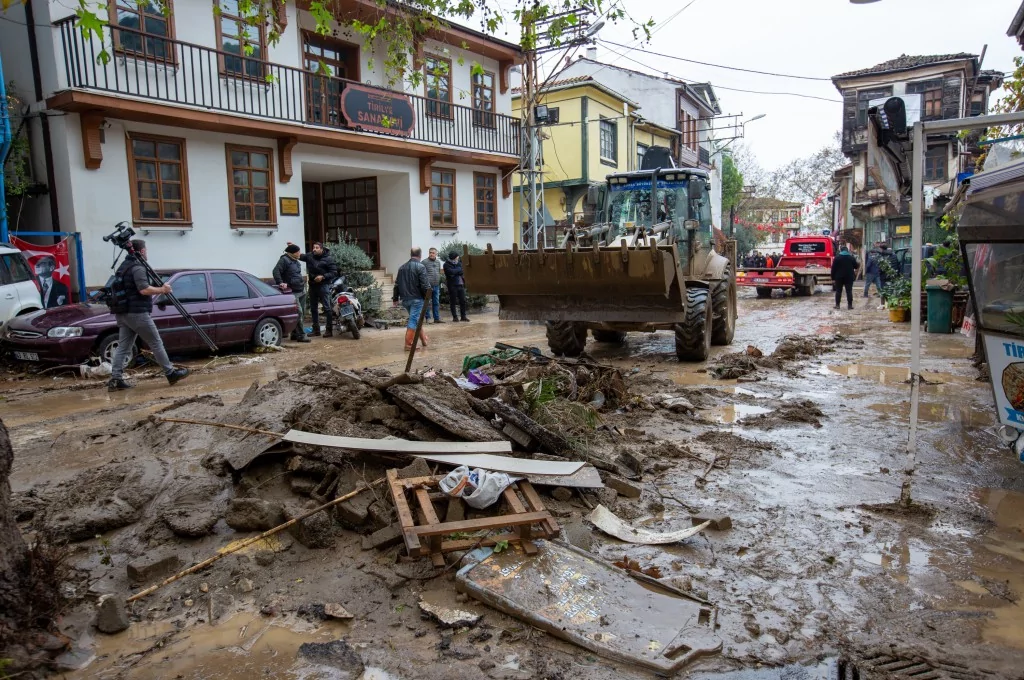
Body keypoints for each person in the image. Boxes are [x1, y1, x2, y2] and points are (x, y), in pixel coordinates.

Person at [106, 239, 189, 391]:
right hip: (137, 313)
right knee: (156, 342)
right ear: (142, 251)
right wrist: (162, 290)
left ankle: (115, 379)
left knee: (124, 346)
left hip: (123, 312)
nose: (147, 252)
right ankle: (171, 373)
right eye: (146, 249)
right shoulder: (137, 267)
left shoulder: (124, 266)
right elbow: (143, 289)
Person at [392, 247, 431, 351]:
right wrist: (427, 297)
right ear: (420, 255)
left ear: (411, 254)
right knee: (414, 319)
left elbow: (397, 285)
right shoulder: (421, 267)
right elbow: (425, 285)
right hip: (417, 299)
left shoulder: (402, 268)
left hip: (405, 299)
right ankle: (408, 344)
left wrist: (395, 298)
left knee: (417, 319)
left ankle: (424, 340)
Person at [298, 242, 338, 338]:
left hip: (323, 286)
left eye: (316, 247)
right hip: (312, 285)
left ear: (321, 249)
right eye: (313, 247)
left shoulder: (328, 259)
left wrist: (323, 276)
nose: (314, 249)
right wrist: (291, 247)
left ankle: (329, 330)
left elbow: (334, 272)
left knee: (327, 308)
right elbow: (299, 256)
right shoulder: (310, 256)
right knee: (313, 308)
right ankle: (316, 330)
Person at [273, 245, 311, 343]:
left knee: (301, 313)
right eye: (298, 252)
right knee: (299, 313)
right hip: (292, 292)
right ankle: (302, 335)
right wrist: (280, 282)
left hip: (301, 290)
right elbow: (276, 271)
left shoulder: (295, 261)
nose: (299, 253)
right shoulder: (284, 260)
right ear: (292, 253)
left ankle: (295, 334)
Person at [831, 244, 859, 310]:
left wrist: (833, 278)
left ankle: (837, 305)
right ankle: (850, 306)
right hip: (849, 277)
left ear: (841, 251)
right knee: (849, 291)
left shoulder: (837, 258)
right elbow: (856, 266)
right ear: (847, 251)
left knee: (838, 291)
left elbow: (833, 269)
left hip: (839, 277)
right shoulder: (851, 258)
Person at [444, 251, 469, 322]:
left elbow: (462, 271)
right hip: (452, 285)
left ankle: (463, 317)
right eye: (457, 257)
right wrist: (457, 271)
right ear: (454, 257)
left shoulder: (459, 263)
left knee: (463, 301)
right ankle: (455, 317)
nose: (458, 258)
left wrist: (456, 271)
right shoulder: (446, 264)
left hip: (460, 284)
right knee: (453, 301)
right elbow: (450, 273)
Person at [423, 247, 444, 324]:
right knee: (427, 303)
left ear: (436, 254)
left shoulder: (438, 262)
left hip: (436, 286)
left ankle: (436, 318)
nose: (431, 254)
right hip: (428, 286)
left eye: (433, 253)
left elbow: (438, 272)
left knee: (436, 302)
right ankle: (428, 318)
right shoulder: (424, 262)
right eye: (430, 252)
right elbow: (422, 274)